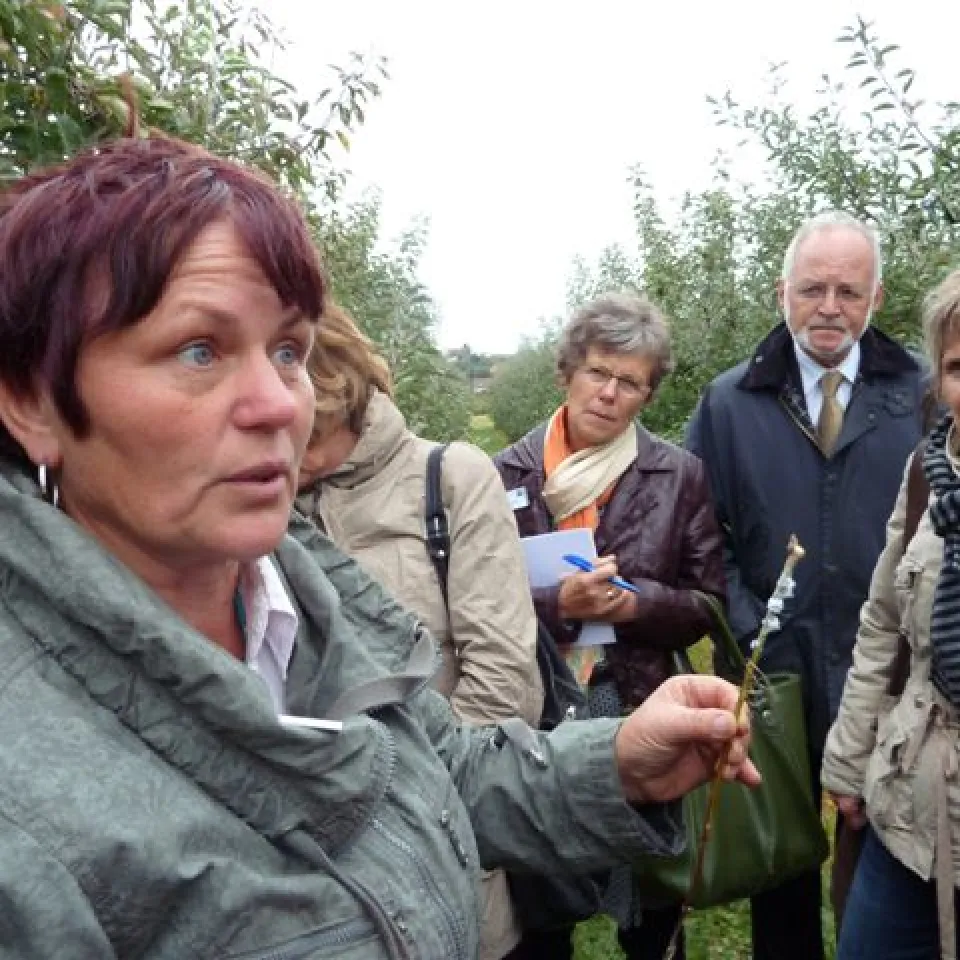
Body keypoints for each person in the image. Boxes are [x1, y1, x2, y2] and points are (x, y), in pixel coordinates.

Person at [0, 135, 760, 960]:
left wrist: (615, 763)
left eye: (287, 349)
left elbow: (443, 774)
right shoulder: (28, 806)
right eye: (198, 349)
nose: (277, 404)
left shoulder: (304, 592)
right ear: (33, 401)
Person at [686, 211, 927, 960]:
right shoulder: (730, 403)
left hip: (888, 673)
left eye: (848, 291)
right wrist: (754, 622)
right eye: (814, 288)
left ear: (876, 297)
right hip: (771, 671)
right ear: (782, 291)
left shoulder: (918, 393)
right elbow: (702, 538)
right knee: (779, 861)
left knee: (885, 852)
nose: (830, 307)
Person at [296, 302, 543, 960]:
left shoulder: (448, 479)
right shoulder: (260, 503)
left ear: (338, 394)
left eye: (304, 435)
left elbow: (504, 680)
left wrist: (409, 817)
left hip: (445, 852)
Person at [495, 292, 726, 960]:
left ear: (648, 394)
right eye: (599, 372)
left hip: (635, 705)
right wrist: (559, 603)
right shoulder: (504, 473)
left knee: (650, 909)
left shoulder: (678, 475)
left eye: (631, 382)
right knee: (543, 911)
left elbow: (707, 604)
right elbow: (480, 604)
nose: (610, 394)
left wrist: (634, 606)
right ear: (568, 370)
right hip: (540, 711)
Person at [822, 268, 960, 960]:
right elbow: (881, 623)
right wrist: (848, 761)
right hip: (911, 798)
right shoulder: (924, 476)